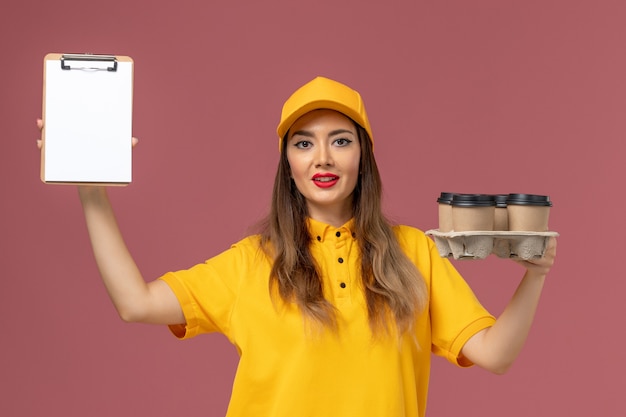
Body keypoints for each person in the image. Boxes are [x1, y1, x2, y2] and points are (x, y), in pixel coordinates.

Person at [38, 76, 556, 417]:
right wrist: (91, 190)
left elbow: (494, 355)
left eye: (341, 140)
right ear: (288, 162)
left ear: (364, 157)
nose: (323, 157)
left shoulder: (413, 252)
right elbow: (135, 303)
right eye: (303, 142)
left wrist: (534, 274)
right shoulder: (251, 262)